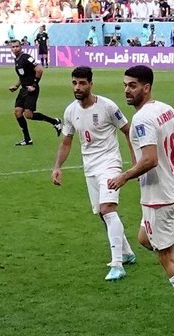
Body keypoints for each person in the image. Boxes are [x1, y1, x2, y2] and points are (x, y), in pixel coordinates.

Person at [107, 66, 174, 327]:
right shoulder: (166, 108)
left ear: (146, 88)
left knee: (165, 255)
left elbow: (150, 160)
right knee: (145, 238)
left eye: (133, 85)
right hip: (173, 191)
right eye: (125, 85)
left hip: (158, 198)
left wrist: (124, 176)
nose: (126, 90)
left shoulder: (143, 119)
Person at [51, 66, 138, 282]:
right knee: (102, 212)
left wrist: (135, 163)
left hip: (109, 163)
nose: (78, 87)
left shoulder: (108, 106)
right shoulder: (70, 111)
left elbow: (128, 131)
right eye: (74, 83)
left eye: (82, 83)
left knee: (108, 209)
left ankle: (117, 264)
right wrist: (57, 166)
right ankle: (126, 253)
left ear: (91, 84)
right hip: (90, 167)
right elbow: (66, 142)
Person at [8, 40, 62, 146]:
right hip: (23, 89)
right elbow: (22, 76)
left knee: (28, 115)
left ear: (21, 47)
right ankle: (27, 139)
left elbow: (39, 69)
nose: (15, 48)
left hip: (31, 89)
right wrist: (16, 86)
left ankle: (55, 121)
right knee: (18, 112)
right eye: (13, 47)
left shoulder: (26, 57)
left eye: (17, 46)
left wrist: (34, 85)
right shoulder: (17, 59)